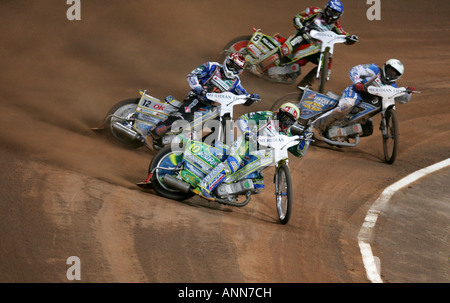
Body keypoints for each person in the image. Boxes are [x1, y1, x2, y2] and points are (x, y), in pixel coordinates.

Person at [197, 103, 312, 199]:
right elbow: (243, 118)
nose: (285, 122)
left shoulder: (286, 134)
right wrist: (247, 131)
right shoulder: (267, 116)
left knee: (257, 185)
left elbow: (299, 152)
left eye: (289, 120)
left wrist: (306, 140)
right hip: (246, 144)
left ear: (293, 123)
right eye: (283, 117)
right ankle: (204, 186)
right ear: (278, 113)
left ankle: (228, 192)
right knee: (231, 164)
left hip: (257, 157)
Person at [150, 53, 260, 146]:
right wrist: (198, 88)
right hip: (196, 98)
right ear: (228, 63)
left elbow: (243, 95)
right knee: (182, 116)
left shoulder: (235, 82)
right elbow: (192, 75)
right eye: (234, 67)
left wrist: (250, 98)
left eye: (238, 69)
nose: (235, 71)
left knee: (215, 124)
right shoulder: (211, 66)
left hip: (209, 105)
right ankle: (154, 133)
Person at [313, 59, 416, 136]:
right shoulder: (374, 70)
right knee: (345, 107)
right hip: (355, 92)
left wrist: (408, 92)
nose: (391, 75)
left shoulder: (393, 87)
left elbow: (403, 99)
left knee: (368, 129)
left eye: (395, 74)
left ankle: (339, 134)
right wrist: (357, 82)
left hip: (368, 105)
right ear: (385, 66)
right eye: (390, 71)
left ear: (398, 76)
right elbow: (355, 70)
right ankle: (313, 128)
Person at [278, 0, 358, 63]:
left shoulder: (336, 25)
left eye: (335, 14)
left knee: (324, 61)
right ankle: (271, 59)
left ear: (339, 15)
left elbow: (344, 35)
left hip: (315, 45)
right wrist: (301, 28)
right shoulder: (315, 11)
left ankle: (305, 83)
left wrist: (351, 38)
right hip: (303, 36)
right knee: (286, 49)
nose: (331, 16)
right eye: (330, 12)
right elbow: (297, 17)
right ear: (326, 8)